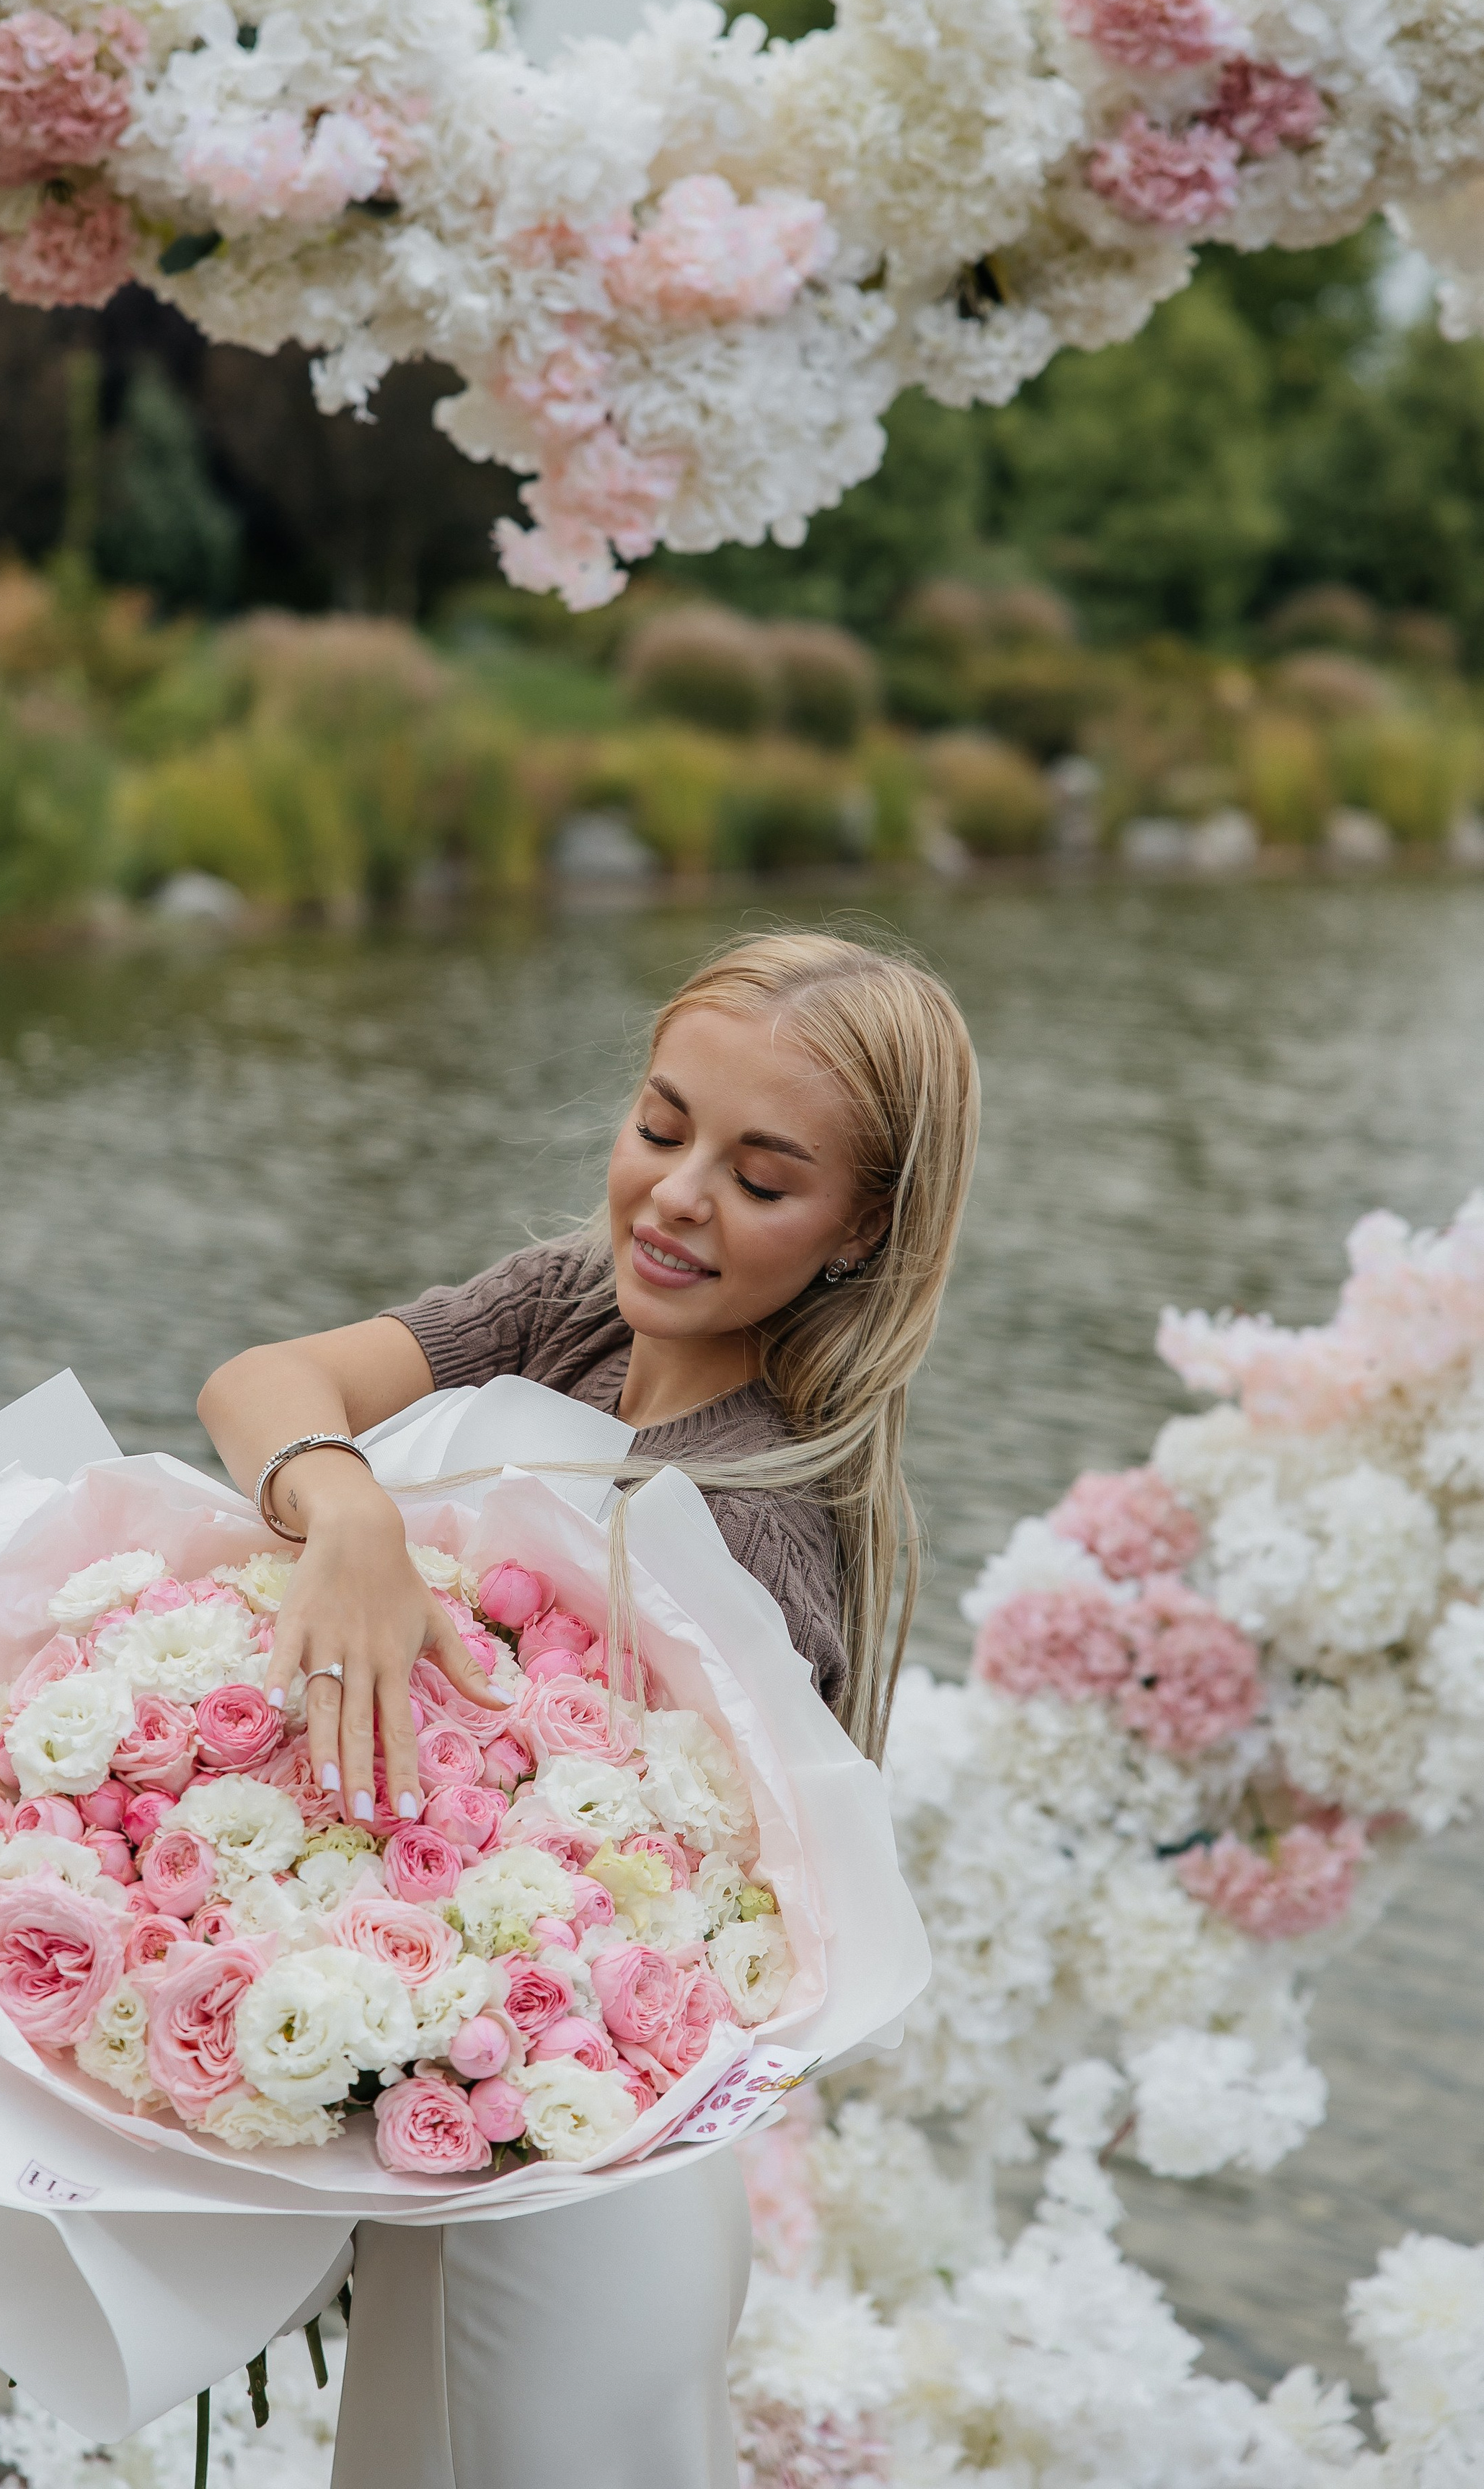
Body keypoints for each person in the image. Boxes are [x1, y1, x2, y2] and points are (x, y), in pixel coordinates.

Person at [198, 928, 980, 2489]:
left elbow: (621, 1913)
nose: (676, 1197)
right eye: (660, 1124)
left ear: (859, 1226)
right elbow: (264, 1380)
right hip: (461, 2146)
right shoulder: (572, 1308)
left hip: (585, 2170)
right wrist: (340, 1509)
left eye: (761, 1180)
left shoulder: (753, 1529)